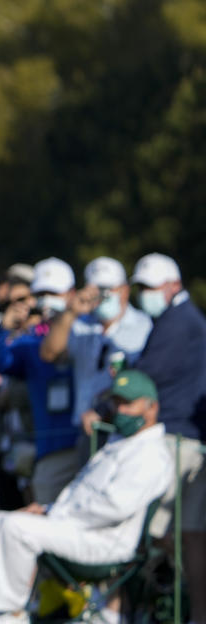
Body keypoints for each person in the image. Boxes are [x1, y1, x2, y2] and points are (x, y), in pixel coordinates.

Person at [0, 370, 171, 624]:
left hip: (106, 543)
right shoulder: (122, 443)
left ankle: (10, 615)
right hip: (76, 527)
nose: (119, 410)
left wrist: (53, 514)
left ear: (152, 409)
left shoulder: (151, 454)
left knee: (15, 528)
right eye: (116, 402)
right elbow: (81, 498)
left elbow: (114, 507)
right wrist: (46, 509)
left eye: (127, 403)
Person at [130, 252, 206, 624]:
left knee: (159, 533)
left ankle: (164, 607)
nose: (145, 294)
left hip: (175, 441)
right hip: (189, 440)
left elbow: (145, 377)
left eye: (151, 287)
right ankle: (187, 613)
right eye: (141, 288)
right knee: (190, 534)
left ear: (173, 285)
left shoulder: (178, 322)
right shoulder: (180, 319)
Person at [39, 256, 152, 464]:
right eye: (96, 290)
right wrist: (70, 312)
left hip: (123, 431)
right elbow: (49, 354)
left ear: (124, 290)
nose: (102, 296)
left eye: (108, 289)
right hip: (87, 432)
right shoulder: (80, 324)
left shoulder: (144, 326)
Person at [0, 258, 79, 505]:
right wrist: (2, 330)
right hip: (50, 450)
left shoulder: (87, 334)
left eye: (53, 292)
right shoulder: (30, 345)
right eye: (40, 293)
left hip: (86, 444)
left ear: (70, 293)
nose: (46, 299)